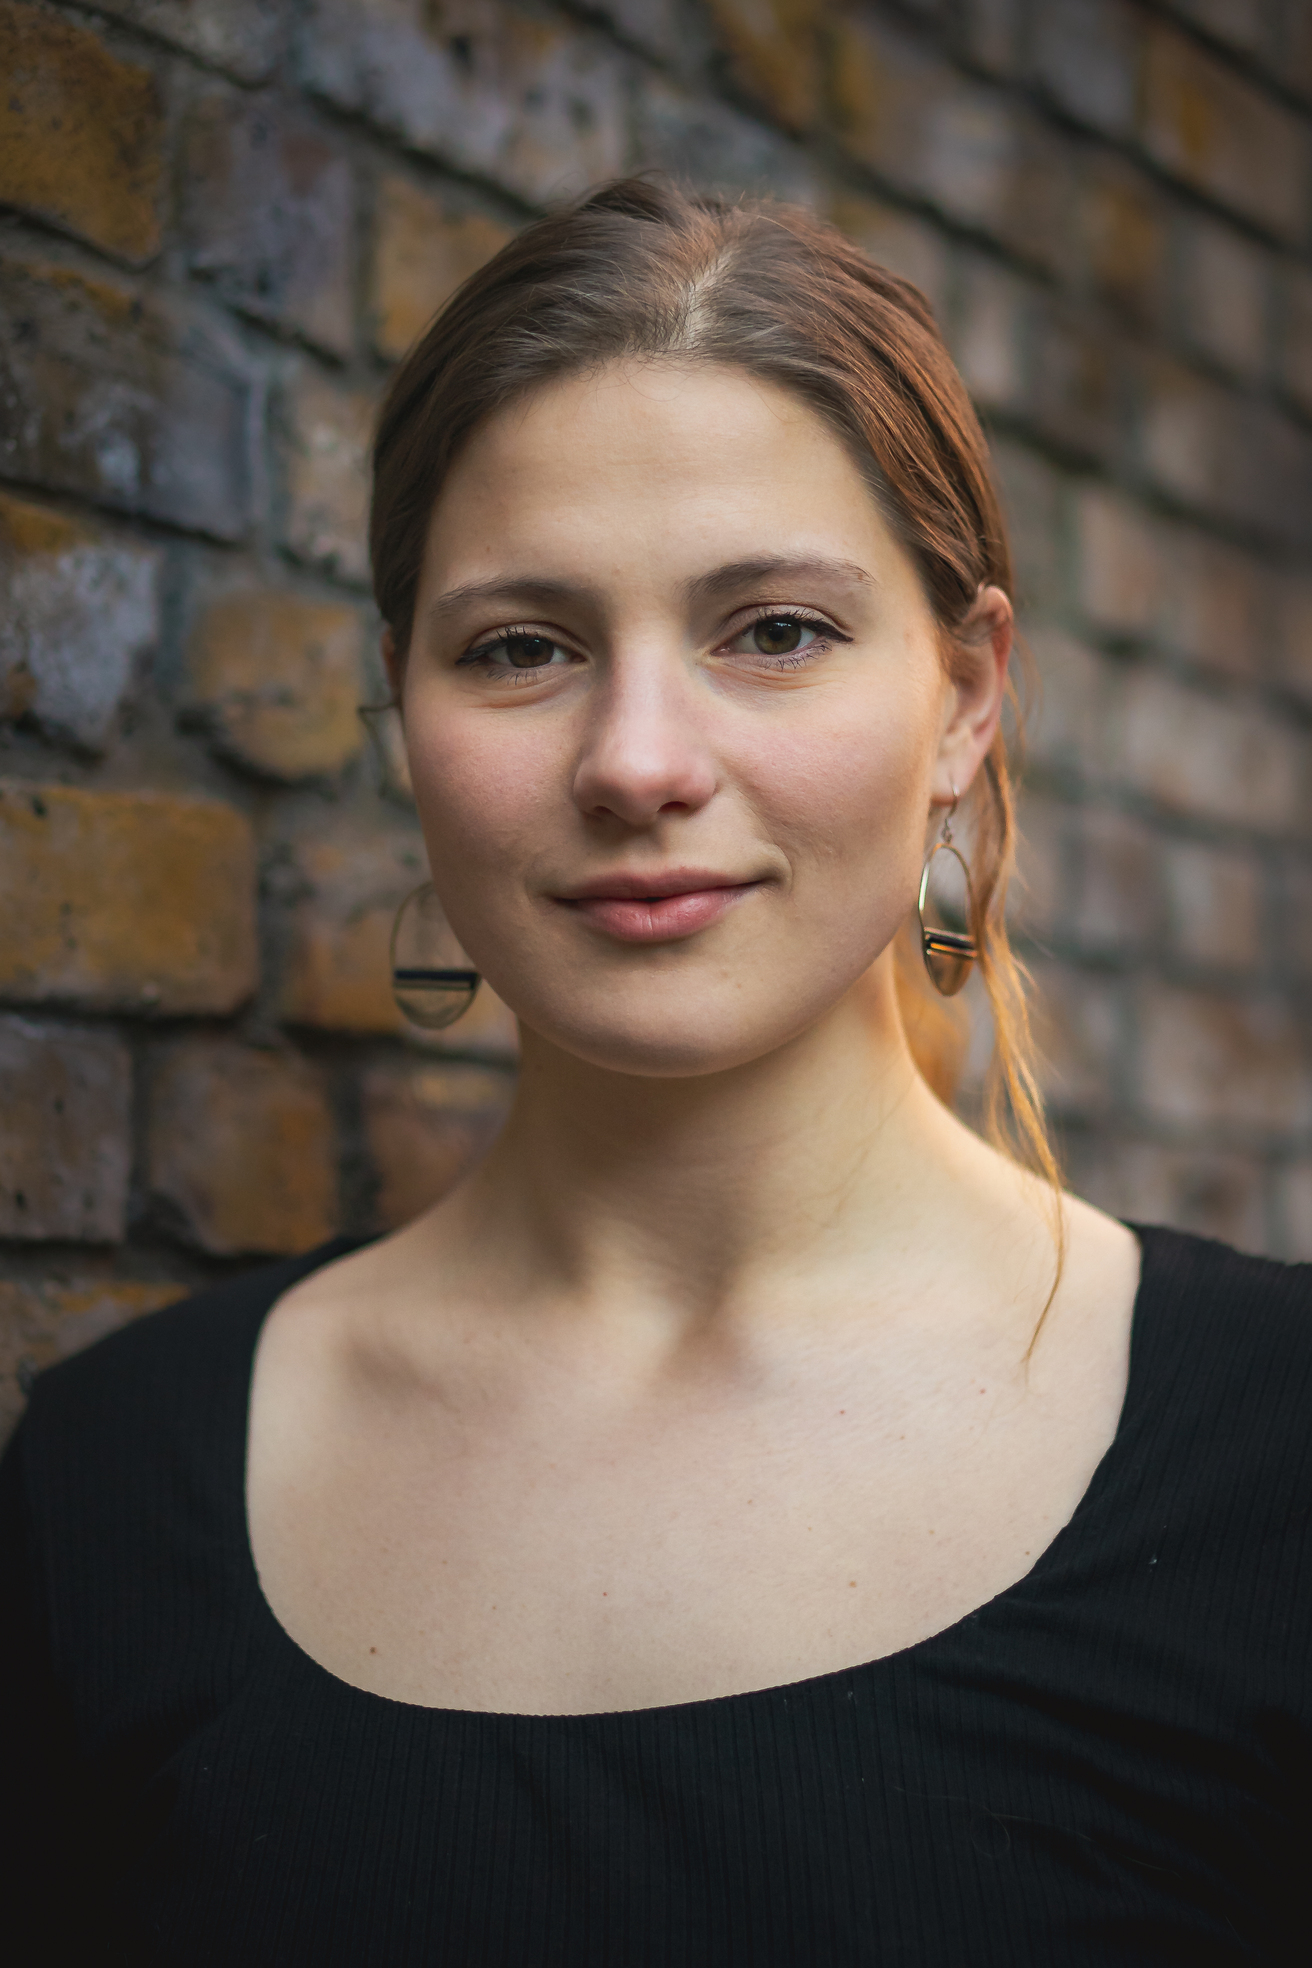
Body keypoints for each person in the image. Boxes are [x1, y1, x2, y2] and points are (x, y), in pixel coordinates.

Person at [2, 178, 1308, 1966]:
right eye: (521, 648)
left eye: (773, 630)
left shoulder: (1280, 1442)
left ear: (966, 697)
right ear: (402, 715)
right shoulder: (107, 1483)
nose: (635, 761)